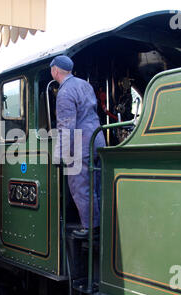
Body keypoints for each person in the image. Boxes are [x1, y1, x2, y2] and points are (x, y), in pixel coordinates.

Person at [50, 55, 106, 238]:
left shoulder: (65, 92)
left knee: (80, 187)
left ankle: (90, 228)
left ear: (55, 70)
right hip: (97, 139)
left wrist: (59, 155)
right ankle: (101, 223)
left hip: (81, 144)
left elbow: (66, 126)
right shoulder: (84, 85)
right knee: (96, 184)